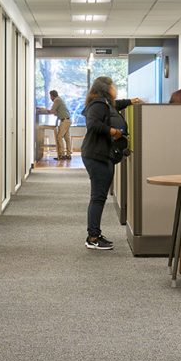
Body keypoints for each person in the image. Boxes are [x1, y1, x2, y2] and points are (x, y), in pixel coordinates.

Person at [81, 76, 141, 250]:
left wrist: (130, 101)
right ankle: (93, 238)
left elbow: (115, 106)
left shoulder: (105, 103)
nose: (116, 88)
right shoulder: (98, 104)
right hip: (97, 155)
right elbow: (93, 124)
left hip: (100, 155)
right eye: (113, 86)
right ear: (106, 88)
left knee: (99, 196)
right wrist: (113, 131)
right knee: (98, 197)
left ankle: (94, 234)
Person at [43, 89, 72, 160]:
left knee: (59, 137)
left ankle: (61, 155)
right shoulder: (60, 99)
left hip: (64, 121)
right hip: (67, 120)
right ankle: (68, 155)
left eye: (50, 96)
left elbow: (52, 111)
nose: (50, 98)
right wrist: (54, 112)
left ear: (52, 96)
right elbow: (56, 112)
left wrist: (43, 110)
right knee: (67, 138)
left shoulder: (57, 100)